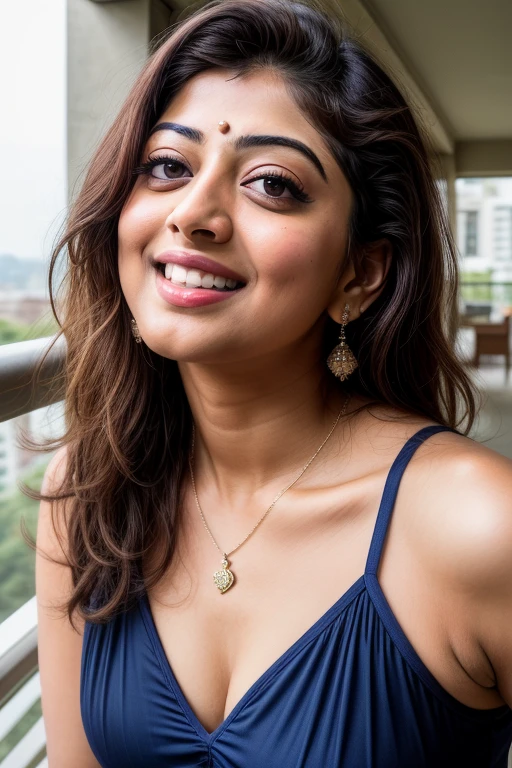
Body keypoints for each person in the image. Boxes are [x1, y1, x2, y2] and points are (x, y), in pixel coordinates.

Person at [33, 0, 512, 765]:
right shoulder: (90, 495)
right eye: (167, 167)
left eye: (271, 184)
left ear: (360, 273)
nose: (194, 213)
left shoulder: (481, 527)